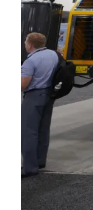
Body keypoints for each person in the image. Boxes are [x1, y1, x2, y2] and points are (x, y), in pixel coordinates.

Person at [21, 33, 59, 179]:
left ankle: (29, 168)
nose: (24, 44)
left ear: (30, 44)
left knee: (28, 131)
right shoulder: (53, 54)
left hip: (34, 96)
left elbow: (23, 84)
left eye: (25, 42)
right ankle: (40, 161)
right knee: (43, 129)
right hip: (49, 95)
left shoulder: (30, 61)